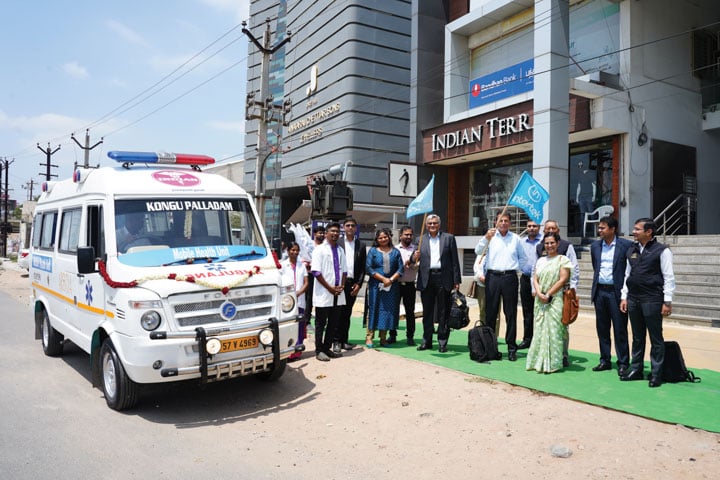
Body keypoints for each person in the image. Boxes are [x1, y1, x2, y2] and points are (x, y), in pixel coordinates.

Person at [620, 218, 675, 387]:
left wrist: (667, 301)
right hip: (634, 299)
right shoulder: (632, 249)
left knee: (655, 337)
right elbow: (627, 275)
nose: (633, 232)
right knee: (637, 337)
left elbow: (669, 277)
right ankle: (636, 369)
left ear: (649, 232)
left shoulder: (662, 251)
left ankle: (656, 373)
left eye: (637, 229)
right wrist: (624, 296)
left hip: (652, 299)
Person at [474, 211, 527, 361]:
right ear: (495, 222)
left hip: (510, 277)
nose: (503, 223)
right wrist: (485, 238)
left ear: (510, 223)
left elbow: (522, 258)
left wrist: (520, 271)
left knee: (510, 314)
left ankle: (511, 347)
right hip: (493, 277)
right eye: (500, 221)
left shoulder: (516, 238)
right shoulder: (490, 237)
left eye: (506, 221)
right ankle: (490, 347)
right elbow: (478, 251)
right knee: (491, 314)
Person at [590, 216, 633, 376]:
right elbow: (596, 267)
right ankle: (605, 360)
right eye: (599, 228)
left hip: (617, 293)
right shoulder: (595, 246)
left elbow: (629, 270)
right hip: (600, 291)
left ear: (613, 229)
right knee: (602, 328)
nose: (599, 230)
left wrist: (625, 295)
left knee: (620, 328)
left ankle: (622, 362)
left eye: (602, 228)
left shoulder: (626, 245)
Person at [413, 214, 461, 353]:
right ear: (426, 225)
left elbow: (454, 261)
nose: (432, 225)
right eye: (430, 224)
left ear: (439, 224)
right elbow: (413, 259)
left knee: (443, 312)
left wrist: (456, 280)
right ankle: (426, 341)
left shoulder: (449, 238)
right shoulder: (420, 239)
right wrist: (413, 256)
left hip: (443, 277)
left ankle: (442, 342)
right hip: (426, 278)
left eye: (435, 223)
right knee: (427, 312)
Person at [526, 232, 572, 373]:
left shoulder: (562, 260)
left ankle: (554, 362)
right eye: (547, 243)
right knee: (539, 329)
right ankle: (538, 361)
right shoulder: (540, 261)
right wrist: (539, 293)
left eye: (552, 242)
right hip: (540, 300)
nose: (549, 245)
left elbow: (563, 279)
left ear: (558, 243)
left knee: (555, 331)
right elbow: (535, 278)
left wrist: (548, 294)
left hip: (555, 300)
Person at [536, 220, 579, 367]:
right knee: (542, 326)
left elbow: (573, 270)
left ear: (558, 231)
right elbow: (536, 273)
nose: (551, 230)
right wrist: (536, 291)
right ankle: (544, 354)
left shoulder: (567, 247)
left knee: (561, 327)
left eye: (553, 228)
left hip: (561, 294)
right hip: (541, 296)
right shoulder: (540, 248)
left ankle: (563, 355)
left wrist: (571, 290)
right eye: (548, 228)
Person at [310, 222, 347, 362]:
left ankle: (327, 348)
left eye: (337, 231)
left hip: (338, 293)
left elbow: (344, 271)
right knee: (321, 322)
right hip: (324, 293)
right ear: (326, 233)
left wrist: (342, 286)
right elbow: (316, 272)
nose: (335, 234)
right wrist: (330, 288)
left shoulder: (341, 250)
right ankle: (319, 350)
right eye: (332, 231)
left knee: (333, 322)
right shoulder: (319, 250)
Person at [365, 228, 404, 348]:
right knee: (374, 309)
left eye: (385, 237)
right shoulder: (373, 251)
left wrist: (391, 280)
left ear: (389, 237)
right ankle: (369, 337)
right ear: (376, 239)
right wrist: (383, 279)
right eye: (380, 238)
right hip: (376, 286)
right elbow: (368, 268)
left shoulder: (396, 252)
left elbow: (400, 269)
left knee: (387, 311)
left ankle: (383, 338)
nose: (383, 239)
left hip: (392, 287)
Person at [335, 218, 366, 353]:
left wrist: (359, 284)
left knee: (347, 313)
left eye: (353, 225)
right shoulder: (338, 243)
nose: (350, 228)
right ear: (343, 227)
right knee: (338, 313)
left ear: (356, 228)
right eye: (347, 225)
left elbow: (363, 267)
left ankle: (344, 341)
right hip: (339, 283)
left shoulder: (361, 245)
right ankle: (335, 341)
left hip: (353, 284)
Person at [281, 242, 309, 361]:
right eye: (292, 250)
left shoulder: (301, 265)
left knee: (300, 325)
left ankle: (297, 351)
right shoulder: (282, 265)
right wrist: (291, 294)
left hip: (300, 299)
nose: (295, 252)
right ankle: (287, 351)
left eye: (297, 250)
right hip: (287, 301)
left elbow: (306, 282)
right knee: (289, 325)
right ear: (288, 251)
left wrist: (298, 293)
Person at [518, 220, 542, 349]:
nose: (532, 228)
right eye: (529, 226)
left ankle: (540, 340)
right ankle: (527, 339)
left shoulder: (544, 241)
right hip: (526, 279)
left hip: (541, 281)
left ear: (539, 227)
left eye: (534, 226)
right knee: (527, 311)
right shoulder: (521, 242)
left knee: (540, 312)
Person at [393, 226, 418, 345]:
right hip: (396, 285)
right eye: (406, 234)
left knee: (410, 311)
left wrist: (413, 262)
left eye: (410, 235)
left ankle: (410, 336)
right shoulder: (395, 249)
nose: (408, 237)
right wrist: (403, 264)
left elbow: (419, 267)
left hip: (409, 285)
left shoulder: (416, 251)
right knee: (394, 310)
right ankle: (392, 335)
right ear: (401, 236)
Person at [303, 225, 326, 327]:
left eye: (322, 233)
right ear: (314, 234)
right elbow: (302, 257)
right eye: (319, 233)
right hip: (311, 275)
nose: (321, 235)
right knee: (309, 298)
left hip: (322, 276)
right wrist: (307, 264)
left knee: (322, 298)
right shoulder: (309, 245)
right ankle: (306, 320)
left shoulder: (326, 246)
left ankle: (321, 322)